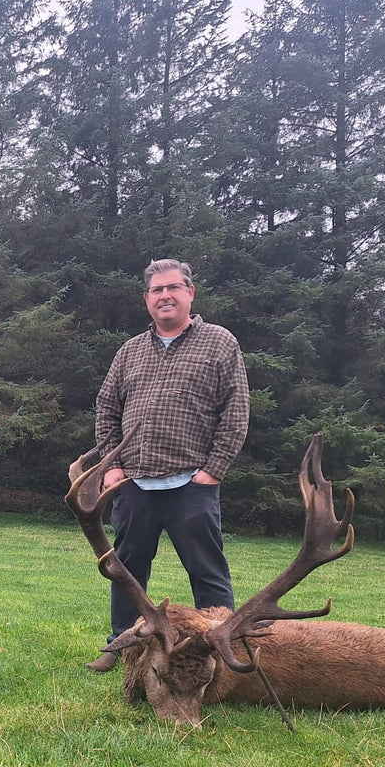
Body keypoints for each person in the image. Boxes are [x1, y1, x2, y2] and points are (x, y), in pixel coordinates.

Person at [87, 258, 250, 672]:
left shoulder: (219, 342)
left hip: (192, 484)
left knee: (207, 572)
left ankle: (223, 648)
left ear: (190, 293)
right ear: (147, 300)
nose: (166, 296)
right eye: (157, 290)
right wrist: (111, 465)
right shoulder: (130, 351)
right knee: (126, 571)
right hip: (134, 484)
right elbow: (107, 407)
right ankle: (121, 647)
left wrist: (213, 471)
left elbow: (236, 410)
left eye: (174, 288)